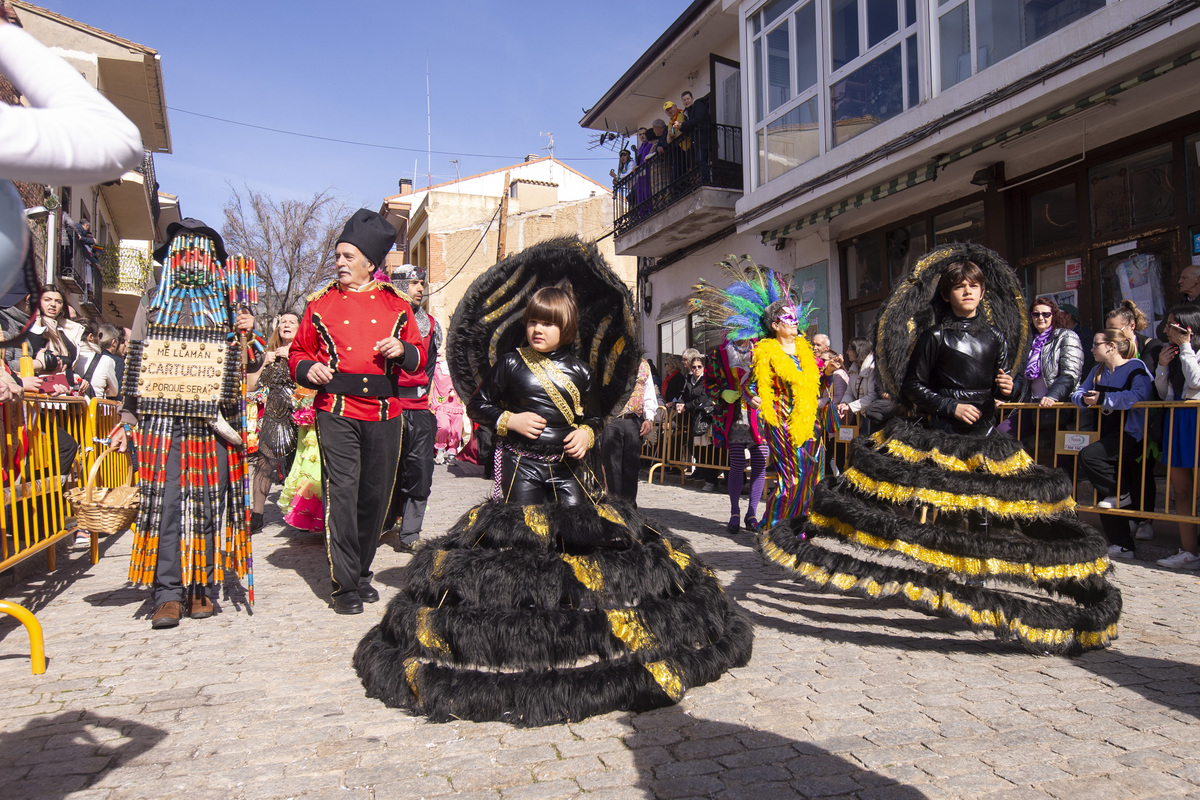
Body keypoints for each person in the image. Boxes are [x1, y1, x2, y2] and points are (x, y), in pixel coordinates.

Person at [354, 236, 751, 726]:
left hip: (570, 469)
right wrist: (508, 423)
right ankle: (523, 624)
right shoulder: (511, 363)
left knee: (582, 540)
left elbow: (594, 415)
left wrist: (586, 431)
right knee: (520, 548)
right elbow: (479, 404)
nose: (538, 329)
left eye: (548, 322)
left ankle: (580, 619)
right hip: (521, 464)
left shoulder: (582, 370)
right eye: (533, 321)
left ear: (566, 326)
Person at [758, 244, 1121, 654]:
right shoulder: (935, 335)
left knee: (984, 505)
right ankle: (949, 566)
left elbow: (1007, 383)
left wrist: (1009, 388)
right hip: (942, 434)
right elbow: (912, 387)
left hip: (985, 436)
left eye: (973, 286)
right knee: (946, 504)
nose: (967, 292)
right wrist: (951, 405)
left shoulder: (995, 336)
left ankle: (980, 572)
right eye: (959, 286)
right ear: (947, 294)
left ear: (983, 292)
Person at [108, 218, 261, 630]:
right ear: (173, 257)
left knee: (209, 503)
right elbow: (135, 359)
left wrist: (250, 334)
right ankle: (168, 593)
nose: (192, 258)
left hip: (213, 422)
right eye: (184, 249)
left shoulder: (230, 306)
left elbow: (250, 365)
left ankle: (202, 589)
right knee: (168, 504)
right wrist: (127, 417)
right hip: (162, 422)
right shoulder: (153, 300)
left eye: (200, 250)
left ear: (212, 259)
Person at [289, 209, 426, 615]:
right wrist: (306, 368)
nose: (339, 264)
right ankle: (344, 584)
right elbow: (298, 351)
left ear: (370, 263)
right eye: (337, 256)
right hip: (337, 409)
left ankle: (363, 570)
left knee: (376, 497)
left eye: (348, 257)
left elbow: (420, 359)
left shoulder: (396, 305)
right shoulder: (320, 304)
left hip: (386, 413)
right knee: (343, 494)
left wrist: (403, 351)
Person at [1072, 328, 1154, 560]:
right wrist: (1085, 401)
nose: (1092, 349)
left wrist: (1104, 398)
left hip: (1131, 433)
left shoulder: (1135, 367)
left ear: (1111, 346)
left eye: (1096, 344)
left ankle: (1123, 495)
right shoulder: (1096, 370)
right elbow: (1077, 393)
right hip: (1106, 432)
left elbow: (1140, 395)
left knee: (1090, 456)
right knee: (1108, 494)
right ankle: (1122, 544)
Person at [382, 265, 439, 551]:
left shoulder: (430, 323)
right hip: (388, 406)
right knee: (385, 469)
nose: (420, 288)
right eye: (415, 283)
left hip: (418, 408)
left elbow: (427, 369)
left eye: (422, 283)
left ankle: (411, 533)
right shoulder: (383, 320)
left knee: (420, 469)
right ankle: (382, 523)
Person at [1105, 300, 1161, 539]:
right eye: (1108, 329)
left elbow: (1141, 381)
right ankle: (1129, 518)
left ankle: (1146, 519)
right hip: (1118, 420)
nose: (1110, 334)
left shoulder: (1151, 346)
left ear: (1130, 327)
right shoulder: (1111, 348)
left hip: (1146, 420)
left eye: (1115, 329)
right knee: (1123, 469)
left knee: (1143, 470)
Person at [1154, 304, 1200, 570]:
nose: (1166, 330)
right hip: (1178, 418)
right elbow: (1164, 393)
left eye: (1172, 325)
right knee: (1181, 490)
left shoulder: (1190, 351)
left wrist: (1186, 348)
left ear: (1188, 328)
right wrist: (1162, 367)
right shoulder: (1171, 352)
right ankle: (1188, 551)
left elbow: (1195, 382)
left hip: (1196, 418)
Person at [1011, 296, 1083, 460]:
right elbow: (1022, 378)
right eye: (1036, 314)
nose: (1040, 318)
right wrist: (1008, 393)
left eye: (1045, 314)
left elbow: (1070, 374)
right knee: (1002, 437)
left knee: (1062, 459)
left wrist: (1053, 396)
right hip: (1031, 406)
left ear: (1054, 315)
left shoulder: (1067, 337)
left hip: (1058, 407)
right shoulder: (1029, 342)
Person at [707, 338, 768, 534]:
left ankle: (751, 513)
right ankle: (734, 511)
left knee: (760, 461)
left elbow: (773, 380)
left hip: (759, 416)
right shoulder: (719, 353)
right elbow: (709, 382)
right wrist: (722, 392)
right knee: (738, 462)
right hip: (732, 416)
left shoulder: (763, 351)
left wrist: (766, 397)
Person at [247, 312, 300, 533]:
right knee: (264, 464)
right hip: (273, 415)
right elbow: (250, 386)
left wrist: (292, 357)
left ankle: (305, 516)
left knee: (303, 467)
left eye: (292, 322)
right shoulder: (266, 354)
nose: (286, 324)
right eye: (283, 321)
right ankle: (257, 515)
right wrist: (263, 363)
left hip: (300, 414)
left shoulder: (304, 352)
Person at [600, 357, 657, 506]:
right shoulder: (607, 359)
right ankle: (615, 507)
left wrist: (649, 418)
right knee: (612, 467)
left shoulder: (643, 365)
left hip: (634, 420)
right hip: (612, 421)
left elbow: (649, 391)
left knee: (631, 467)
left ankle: (630, 507)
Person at [674, 350, 720, 491]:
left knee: (709, 450)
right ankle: (704, 473)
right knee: (693, 446)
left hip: (706, 418)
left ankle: (711, 480)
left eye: (699, 367)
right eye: (694, 367)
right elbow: (684, 394)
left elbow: (703, 398)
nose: (696, 370)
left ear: (704, 367)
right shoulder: (689, 379)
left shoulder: (707, 380)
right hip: (694, 419)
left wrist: (686, 406)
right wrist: (680, 403)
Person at [430, 353, 465, 464]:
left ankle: (452, 453)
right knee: (443, 427)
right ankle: (440, 449)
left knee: (456, 432)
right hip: (442, 404)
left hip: (457, 405)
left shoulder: (459, 366)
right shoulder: (437, 367)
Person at [72, 318, 119, 399]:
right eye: (99, 335)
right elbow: (114, 391)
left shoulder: (69, 356)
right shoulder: (106, 361)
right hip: (93, 409)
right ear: (90, 337)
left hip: (69, 408)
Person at [1059, 304, 1095, 382]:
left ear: (1068, 316)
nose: (1056, 318)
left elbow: (1087, 362)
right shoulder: (1057, 333)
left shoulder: (1085, 335)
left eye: (1059, 315)